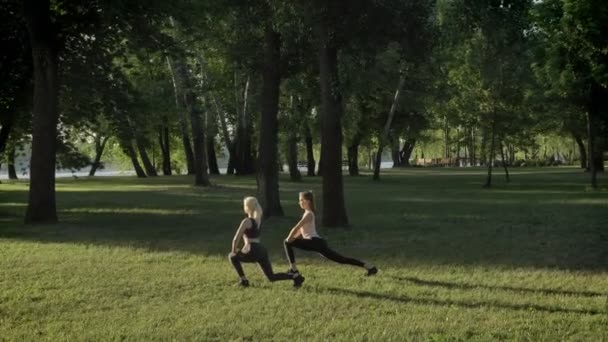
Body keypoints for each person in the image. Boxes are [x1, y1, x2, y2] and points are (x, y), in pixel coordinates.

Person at [283, 191, 378, 276]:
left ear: (307, 201)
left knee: (341, 259)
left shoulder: (308, 214)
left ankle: (294, 270)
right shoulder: (307, 213)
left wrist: (289, 239)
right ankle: (370, 267)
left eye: (301, 200)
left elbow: (297, 227)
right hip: (316, 243)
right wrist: (292, 239)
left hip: (314, 242)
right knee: (341, 259)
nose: (299, 202)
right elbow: (300, 231)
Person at [229, 196, 305, 287]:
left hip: (252, 250)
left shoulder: (246, 221)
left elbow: (236, 238)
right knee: (271, 277)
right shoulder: (258, 221)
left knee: (232, 256)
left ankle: (243, 280)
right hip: (261, 250)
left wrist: (234, 250)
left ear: (247, 207)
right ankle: (295, 276)